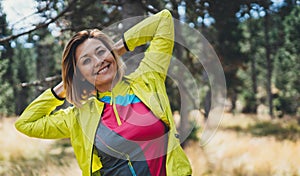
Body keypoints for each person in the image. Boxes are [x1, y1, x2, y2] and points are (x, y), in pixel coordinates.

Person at [15, 9, 192, 176]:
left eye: (101, 52)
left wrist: (118, 48)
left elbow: (164, 20)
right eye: (86, 61)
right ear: (79, 74)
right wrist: (66, 85)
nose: (98, 61)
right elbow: (26, 123)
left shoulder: (147, 79)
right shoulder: (79, 117)